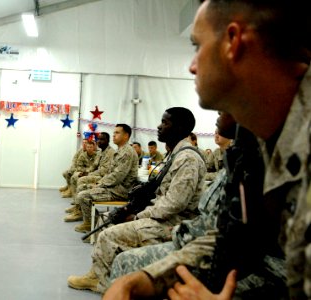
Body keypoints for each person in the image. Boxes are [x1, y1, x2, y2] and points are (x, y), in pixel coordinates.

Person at [105, 0, 311, 298]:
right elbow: (231, 238)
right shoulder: (252, 144)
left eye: (196, 46)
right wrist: (147, 280)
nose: (191, 66)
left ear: (233, 42)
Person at [67, 107, 206, 293]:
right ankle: (107, 275)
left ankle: (99, 280)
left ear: (180, 128)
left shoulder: (187, 158)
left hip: (174, 223)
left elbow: (174, 204)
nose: (159, 126)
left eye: (165, 122)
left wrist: (138, 216)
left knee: (108, 235)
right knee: (110, 222)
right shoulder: (176, 154)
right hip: (163, 216)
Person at [73, 124, 138, 233]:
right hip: (113, 187)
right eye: (113, 133)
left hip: (120, 191)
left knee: (83, 195)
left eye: (117, 133)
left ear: (126, 136)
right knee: (83, 187)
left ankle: (92, 227)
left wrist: (99, 184)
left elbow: (117, 177)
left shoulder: (127, 152)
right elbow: (110, 173)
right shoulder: (120, 150)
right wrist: (100, 182)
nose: (114, 135)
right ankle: (91, 222)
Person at [64, 132, 115, 222]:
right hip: (96, 174)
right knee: (76, 176)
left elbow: (104, 171)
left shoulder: (110, 153)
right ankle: (78, 206)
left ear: (108, 141)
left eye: (102, 139)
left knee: (81, 180)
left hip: (103, 177)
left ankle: (79, 211)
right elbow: (94, 166)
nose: (99, 141)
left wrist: (88, 174)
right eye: (98, 139)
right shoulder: (101, 152)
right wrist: (85, 172)